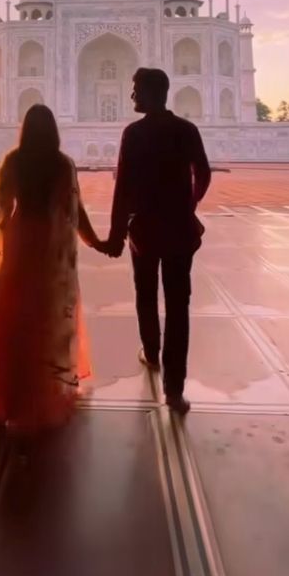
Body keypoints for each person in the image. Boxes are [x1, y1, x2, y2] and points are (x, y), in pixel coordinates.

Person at [0, 104, 100, 432]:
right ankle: (35, 390)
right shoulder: (61, 164)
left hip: (18, 239)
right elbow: (73, 212)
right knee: (43, 315)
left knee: (6, 311)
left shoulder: (14, 161)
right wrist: (97, 242)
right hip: (46, 245)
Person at [101, 68, 211, 415]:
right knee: (179, 305)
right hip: (178, 229)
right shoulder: (186, 129)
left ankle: (151, 352)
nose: (132, 95)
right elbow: (203, 173)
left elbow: (123, 188)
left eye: (136, 90)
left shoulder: (134, 134)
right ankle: (174, 390)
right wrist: (189, 203)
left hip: (146, 231)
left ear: (150, 93)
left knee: (145, 293)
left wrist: (117, 234)